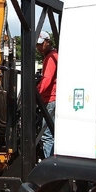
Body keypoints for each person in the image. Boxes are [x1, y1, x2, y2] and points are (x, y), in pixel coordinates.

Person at [36, 30, 58, 158]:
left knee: (47, 135)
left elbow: (47, 80)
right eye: (37, 44)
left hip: (50, 100)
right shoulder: (53, 56)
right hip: (52, 100)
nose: (38, 47)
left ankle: (49, 163)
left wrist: (35, 93)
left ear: (48, 42)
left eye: (41, 44)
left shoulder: (50, 57)